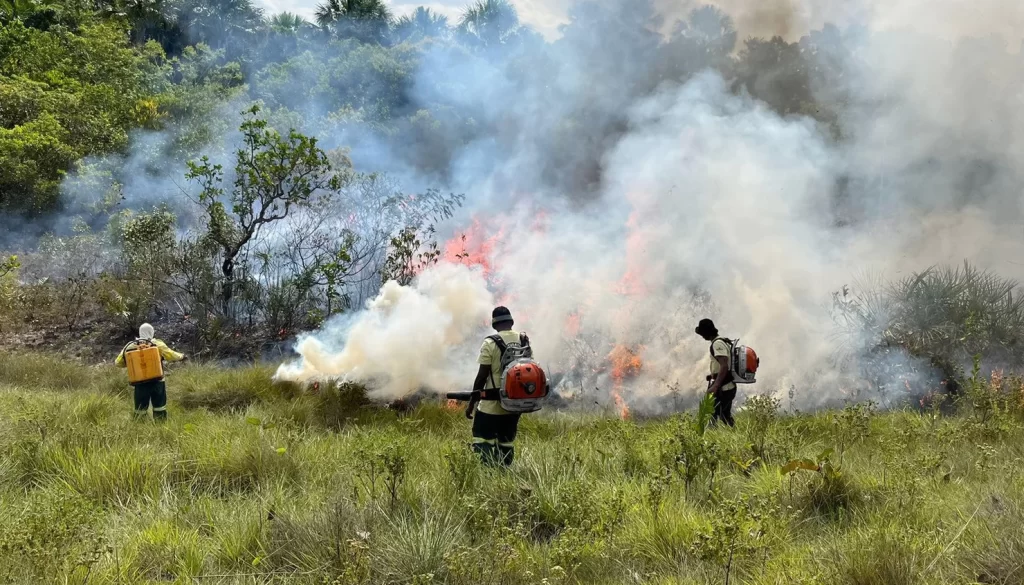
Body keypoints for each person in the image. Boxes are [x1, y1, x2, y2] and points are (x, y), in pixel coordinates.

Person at [465, 306, 531, 467]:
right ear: (512, 321)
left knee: (482, 438)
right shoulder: (524, 340)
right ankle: (504, 471)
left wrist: (472, 403)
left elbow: (482, 376)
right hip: (515, 404)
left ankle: (487, 474)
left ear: (494, 325)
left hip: (491, 405)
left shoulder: (490, 343)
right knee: (506, 440)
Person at [114, 323, 185, 421]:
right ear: (151, 332)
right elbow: (171, 355)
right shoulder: (157, 344)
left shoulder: (130, 346)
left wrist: (133, 362)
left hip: (139, 382)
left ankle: (139, 428)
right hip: (157, 381)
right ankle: (160, 427)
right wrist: (182, 356)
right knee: (159, 407)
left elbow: (118, 363)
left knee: (140, 409)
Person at [695, 318, 736, 427]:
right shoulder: (720, 341)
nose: (702, 336)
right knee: (724, 414)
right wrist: (713, 375)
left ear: (706, 332)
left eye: (702, 333)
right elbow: (721, 365)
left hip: (724, 387)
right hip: (726, 385)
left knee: (711, 414)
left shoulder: (717, 344)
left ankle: (709, 437)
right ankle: (733, 433)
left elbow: (724, 365)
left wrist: (715, 386)